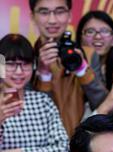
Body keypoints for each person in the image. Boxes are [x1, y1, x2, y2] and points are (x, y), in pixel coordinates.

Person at [30, 0, 107, 136]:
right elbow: (33, 116)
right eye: (44, 12)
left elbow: (104, 106)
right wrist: (43, 75)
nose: (52, 20)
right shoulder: (24, 58)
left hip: (83, 144)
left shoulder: (88, 54)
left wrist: (82, 70)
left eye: (59, 12)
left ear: (70, 16)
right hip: (42, 146)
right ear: (32, 17)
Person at [0, 34, 68, 152]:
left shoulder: (42, 102)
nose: (19, 71)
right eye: (11, 64)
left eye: (25, 64)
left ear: (34, 65)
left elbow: (64, 149)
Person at [76, 10, 113, 87]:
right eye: (90, 31)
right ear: (81, 39)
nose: (98, 37)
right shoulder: (73, 69)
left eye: (105, 31)